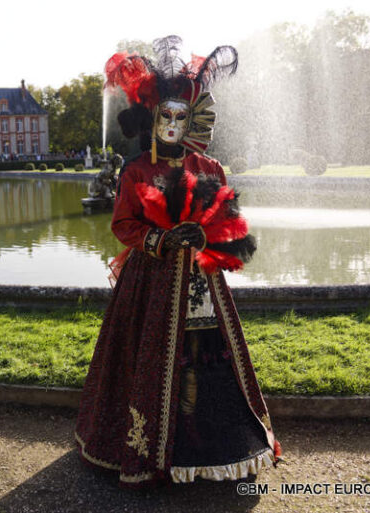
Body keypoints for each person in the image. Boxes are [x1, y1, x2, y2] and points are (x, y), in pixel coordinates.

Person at [75, 35, 282, 489]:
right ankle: (151, 454)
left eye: (180, 116)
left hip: (203, 284)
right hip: (149, 285)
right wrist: (161, 239)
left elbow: (230, 225)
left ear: (193, 119)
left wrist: (208, 234)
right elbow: (123, 225)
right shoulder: (135, 172)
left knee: (208, 358)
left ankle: (217, 445)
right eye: (165, 115)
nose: (172, 124)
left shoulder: (210, 169)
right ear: (152, 117)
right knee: (150, 358)